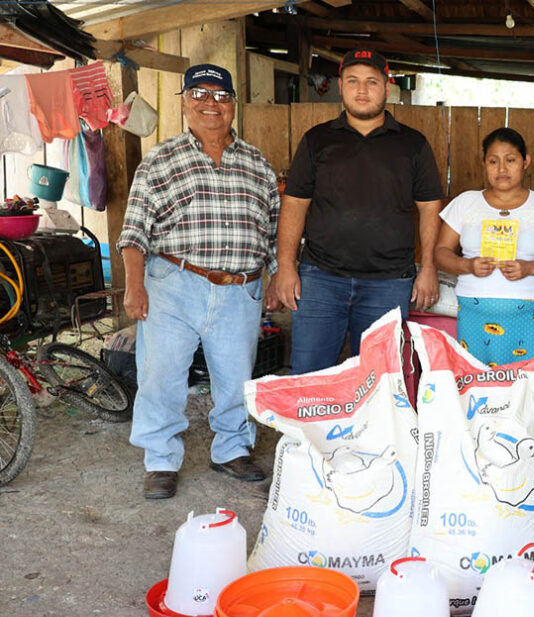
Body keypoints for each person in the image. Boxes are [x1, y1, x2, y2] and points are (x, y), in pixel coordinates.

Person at [118, 64, 280, 499]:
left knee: (236, 377)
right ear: (184, 103)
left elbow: (274, 229)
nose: (211, 104)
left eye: (221, 96)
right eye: (200, 94)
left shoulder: (258, 164)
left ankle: (231, 449)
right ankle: (160, 459)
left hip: (240, 289)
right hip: (174, 283)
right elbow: (133, 232)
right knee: (161, 375)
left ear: (233, 105)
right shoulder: (160, 159)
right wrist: (134, 285)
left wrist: (279, 275)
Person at [271, 48, 443, 374]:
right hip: (320, 278)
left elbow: (430, 208)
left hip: (388, 282)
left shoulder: (413, 144)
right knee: (309, 376)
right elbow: (294, 204)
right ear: (340, 86)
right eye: (353, 81)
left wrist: (429, 268)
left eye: (371, 82)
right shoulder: (317, 140)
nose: (362, 90)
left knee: (381, 380)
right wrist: (286, 266)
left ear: (387, 87)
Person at [433, 127, 534, 366]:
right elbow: (441, 252)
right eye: (493, 161)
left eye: (511, 160)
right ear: (484, 163)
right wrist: (467, 265)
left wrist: (530, 268)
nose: (502, 169)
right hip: (474, 309)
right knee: (475, 380)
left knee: (527, 380)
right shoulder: (466, 202)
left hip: (531, 312)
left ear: (525, 161)